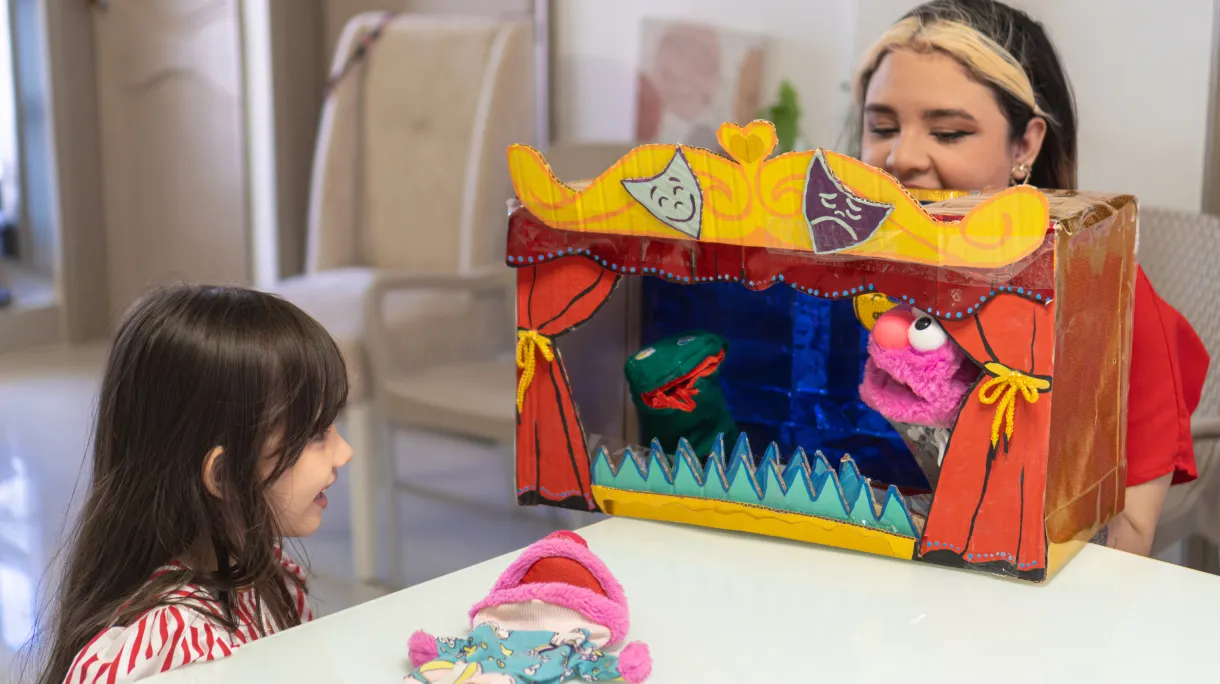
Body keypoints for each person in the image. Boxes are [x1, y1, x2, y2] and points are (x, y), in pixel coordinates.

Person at [852, 0, 1209, 558]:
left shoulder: (1107, 299)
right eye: (881, 127)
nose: (901, 157)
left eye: (948, 132)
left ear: (1024, 145)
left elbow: (1126, 540)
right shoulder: (844, 276)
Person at [35, 284, 352, 683]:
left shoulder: (267, 579)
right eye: (315, 434)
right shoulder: (167, 652)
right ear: (223, 474)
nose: (344, 452)